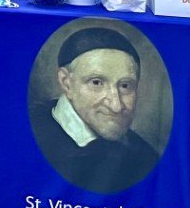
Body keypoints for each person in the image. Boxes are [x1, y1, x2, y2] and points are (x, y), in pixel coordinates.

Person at [30, 27, 163, 193]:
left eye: (125, 86)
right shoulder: (31, 138)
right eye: (96, 82)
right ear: (66, 82)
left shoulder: (145, 156)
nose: (116, 105)